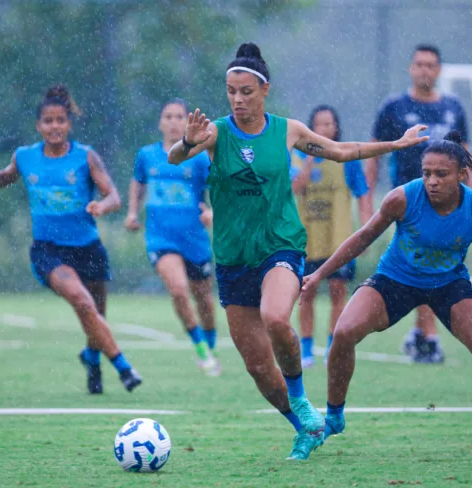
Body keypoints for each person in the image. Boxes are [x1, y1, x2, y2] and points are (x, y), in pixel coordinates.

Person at [167, 42, 429, 460]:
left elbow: (342, 152)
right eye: (231, 91)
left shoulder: (286, 130)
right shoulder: (215, 132)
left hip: (281, 247)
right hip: (234, 260)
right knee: (256, 367)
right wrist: (186, 141)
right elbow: (175, 157)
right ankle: (304, 426)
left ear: (264, 90)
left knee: (275, 318)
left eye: (246, 91)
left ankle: (301, 398)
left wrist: (396, 145)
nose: (238, 99)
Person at [302, 131, 472, 456]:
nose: (432, 181)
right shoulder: (401, 199)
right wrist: (320, 273)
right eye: (426, 173)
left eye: (441, 174)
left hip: (448, 285)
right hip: (395, 279)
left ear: (462, 175)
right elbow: (363, 238)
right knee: (344, 332)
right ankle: (334, 416)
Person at [0, 85, 142, 395]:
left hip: (88, 247)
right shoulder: (25, 157)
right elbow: (2, 177)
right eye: (48, 121)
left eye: (60, 121)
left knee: (96, 316)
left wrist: (102, 206)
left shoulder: (85, 156)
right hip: (49, 251)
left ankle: (92, 358)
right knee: (82, 302)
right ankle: (124, 367)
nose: (54, 127)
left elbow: (114, 195)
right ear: (39, 126)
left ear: (69, 124)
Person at [366, 44, 472, 364]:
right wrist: (367, 195)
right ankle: (426, 335)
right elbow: (374, 153)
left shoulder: (453, 108)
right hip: (408, 202)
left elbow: (465, 157)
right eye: (419, 64)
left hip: (447, 204)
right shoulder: (394, 107)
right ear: (410, 69)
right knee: (418, 264)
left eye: (430, 65)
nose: (424, 70)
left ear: (439, 70)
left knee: (426, 264)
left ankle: (424, 334)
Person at [126, 99, 220, 376]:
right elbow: (137, 183)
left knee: (204, 299)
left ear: (187, 122)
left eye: (179, 116)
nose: (174, 121)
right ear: (160, 122)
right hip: (160, 238)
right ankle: (201, 349)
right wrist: (132, 213)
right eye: (168, 116)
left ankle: (211, 346)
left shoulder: (200, 157)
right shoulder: (147, 155)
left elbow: (217, 187)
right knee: (178, 290)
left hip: (194, 238)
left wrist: (212, 212)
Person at [291, 105, 373, 369]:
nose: (323, 129)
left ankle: (331, 347)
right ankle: (305, 350)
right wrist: (310, 160)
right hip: (308, 240)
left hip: (339, 239)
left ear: (336, 127)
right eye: (318, 125)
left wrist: (365, 232)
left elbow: (362, 193)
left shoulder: (348, 158)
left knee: (339, 292)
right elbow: (296, 187)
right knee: (306, 293)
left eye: (328, 124)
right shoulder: (296, 158)